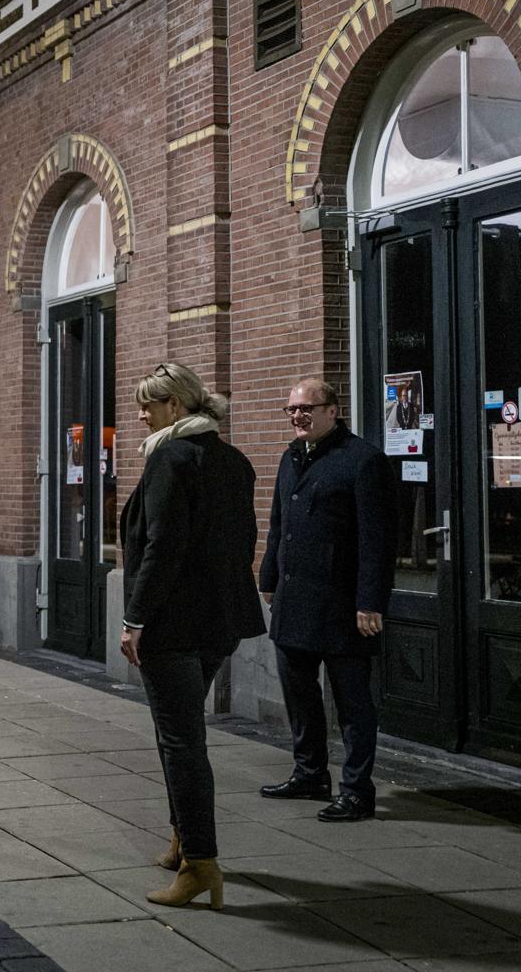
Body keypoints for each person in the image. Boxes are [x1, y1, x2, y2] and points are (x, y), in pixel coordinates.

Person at [119, 362, 265, 911]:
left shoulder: (169, 458)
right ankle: (182, 839)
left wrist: (135, 619)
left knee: (181, 741)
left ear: (175, 408)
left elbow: (160, 547)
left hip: (172, 625)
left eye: (149, 405)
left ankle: (201, 862)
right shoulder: (234, 461)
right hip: (218, 622)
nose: (141, 414)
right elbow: (243, 540)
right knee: (177, 732)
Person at [258, 376, 396, 824]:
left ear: (332, 411)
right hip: (295, 599)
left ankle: (357, 791)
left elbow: (378, 540)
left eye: (307, 409)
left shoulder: (362, 461)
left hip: (342, 605)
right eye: (292, 410)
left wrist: (370, 602)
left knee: (353, 702)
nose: (298, 416)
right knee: (299, 693)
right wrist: (269, 577)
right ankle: (310, 772)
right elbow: (279, 523)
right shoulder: (291, 457)